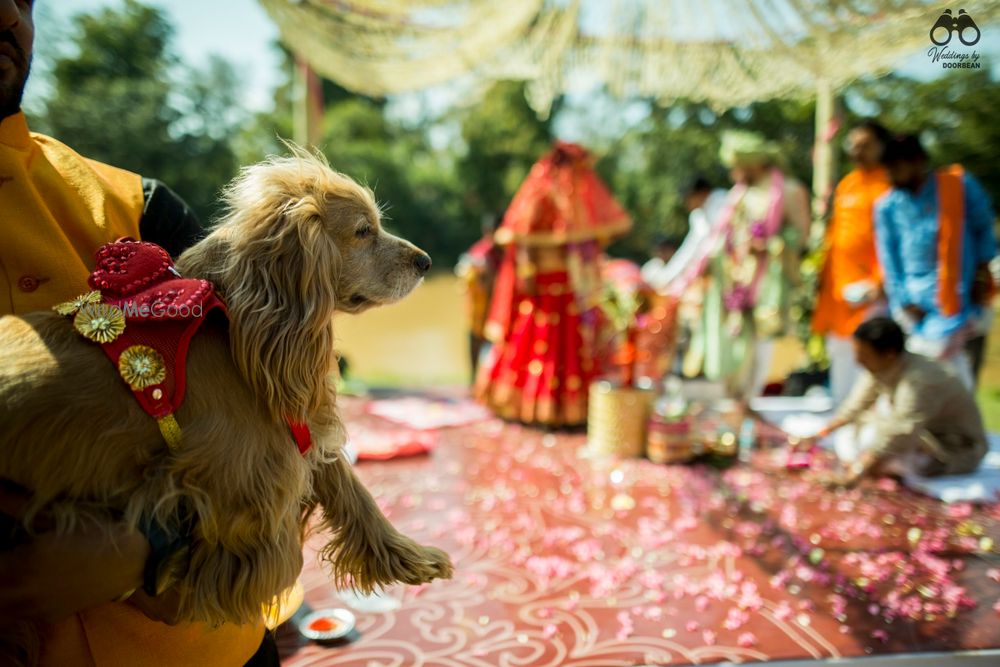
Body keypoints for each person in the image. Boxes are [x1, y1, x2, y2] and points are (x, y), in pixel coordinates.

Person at [0, 1, 275, 664]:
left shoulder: (138, 209)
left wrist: (148, 545)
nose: (9, 14)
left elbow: (289, 442)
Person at [476, 141, 631, 426]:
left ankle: (561, 411)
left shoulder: (565, 199)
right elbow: (522, 241)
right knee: (546, 345)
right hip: (545, 290)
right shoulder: (548, 196)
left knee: (566, 346)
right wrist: (529, 273)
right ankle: (544, 410)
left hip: (564, 290)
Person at [691, 130, 811, 398]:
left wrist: (769, 246)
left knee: (762, 350)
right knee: (731, 345)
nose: (734, 172)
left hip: (768, 286)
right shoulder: (739, 195)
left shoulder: (790, 191)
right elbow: (722, 235)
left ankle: (751, 406)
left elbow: (801, 237)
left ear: (753, 163)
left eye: (737, 166)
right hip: (734, 283)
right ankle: (734, 402)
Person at [874, 134, 997, 389]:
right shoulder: (887, 205)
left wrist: (982, 278)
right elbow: (889, 258)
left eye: (896, 168)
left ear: (918, 162)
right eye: (887, 169)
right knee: (918, 380)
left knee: (956, 381)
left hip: (959, 299)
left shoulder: (958, 186)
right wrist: (905, 302)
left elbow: (984, 230)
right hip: (914, 309)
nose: (891, 176)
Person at [804, 317, 988, 486]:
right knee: (857, 432)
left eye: (864, 355)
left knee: (883, 448)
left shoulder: (920, 378)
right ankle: (880, 465)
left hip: (952, 450)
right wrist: (817, 435)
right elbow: (854, 407)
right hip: (920, 438)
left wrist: (854, 475)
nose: (858, 361)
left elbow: (901, 430)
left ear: (889, 354)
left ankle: (884, 468)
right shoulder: (880, 366)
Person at [811, 120, 893, 408]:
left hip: (871, 294)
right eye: (854, 145)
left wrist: (879, 284)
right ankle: (842, 422)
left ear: (883, 147)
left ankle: (868, 429)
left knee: (870, 358)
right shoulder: (848, 183)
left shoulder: (889, 185)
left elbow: (892, 240)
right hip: (838, 291)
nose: (857, 151)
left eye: (866, 145)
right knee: (841, 355)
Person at [455, 213, 504, 382]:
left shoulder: (506, 251)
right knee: (478, 347)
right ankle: (474, 383)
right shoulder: (481, 253)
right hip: (480, 311)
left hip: (498, 311)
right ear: (488, 231)